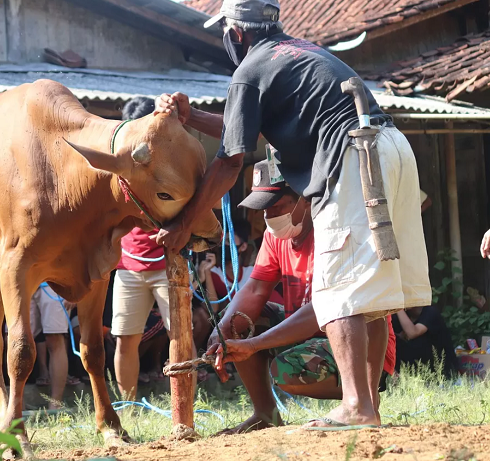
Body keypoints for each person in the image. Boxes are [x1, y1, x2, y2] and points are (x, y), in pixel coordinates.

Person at [154, 0, 430, 428]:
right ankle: (366, 406)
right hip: (390, 145)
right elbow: (251, 126)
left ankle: (356, 407)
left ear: (236, 33)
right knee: (371, 297)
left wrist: (183, 223)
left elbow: (231, 159)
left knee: (339, 288)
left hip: (351, 155)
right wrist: (193, 117)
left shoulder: (250, 70)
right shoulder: (300, 52)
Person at [203, 161, 396, 433]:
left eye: (277, 206)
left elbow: (324, 308)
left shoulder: (332, 228)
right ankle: (265, 414)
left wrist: (256, 344)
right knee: (236, 321)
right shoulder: (275, 237)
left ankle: (362, 401)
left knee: (287, 370)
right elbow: (255, 289)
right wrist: (222, 329)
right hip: (307, 334)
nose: (269, 216)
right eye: (265, 208)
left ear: (305, 200)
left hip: (354, 342)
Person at [112, 96, 177, 399]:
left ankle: (182, 401)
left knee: (179, 336)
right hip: (128, 266)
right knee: (125, 339)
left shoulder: (172, 160)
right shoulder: (115, 166)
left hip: (168, 264)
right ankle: (127, 406)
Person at [30, 284, 71, 409]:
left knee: (55, 338)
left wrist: (74, 288)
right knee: (17, 339)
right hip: (22, 281)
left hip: (55, 281)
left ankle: (55, 404)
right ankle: (16, 406)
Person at [393, 306, 458, 378]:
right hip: (411, 369)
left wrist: (398, 307)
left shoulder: (430, 312)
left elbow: (412, 333)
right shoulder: (399, 315)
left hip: (439, 369)